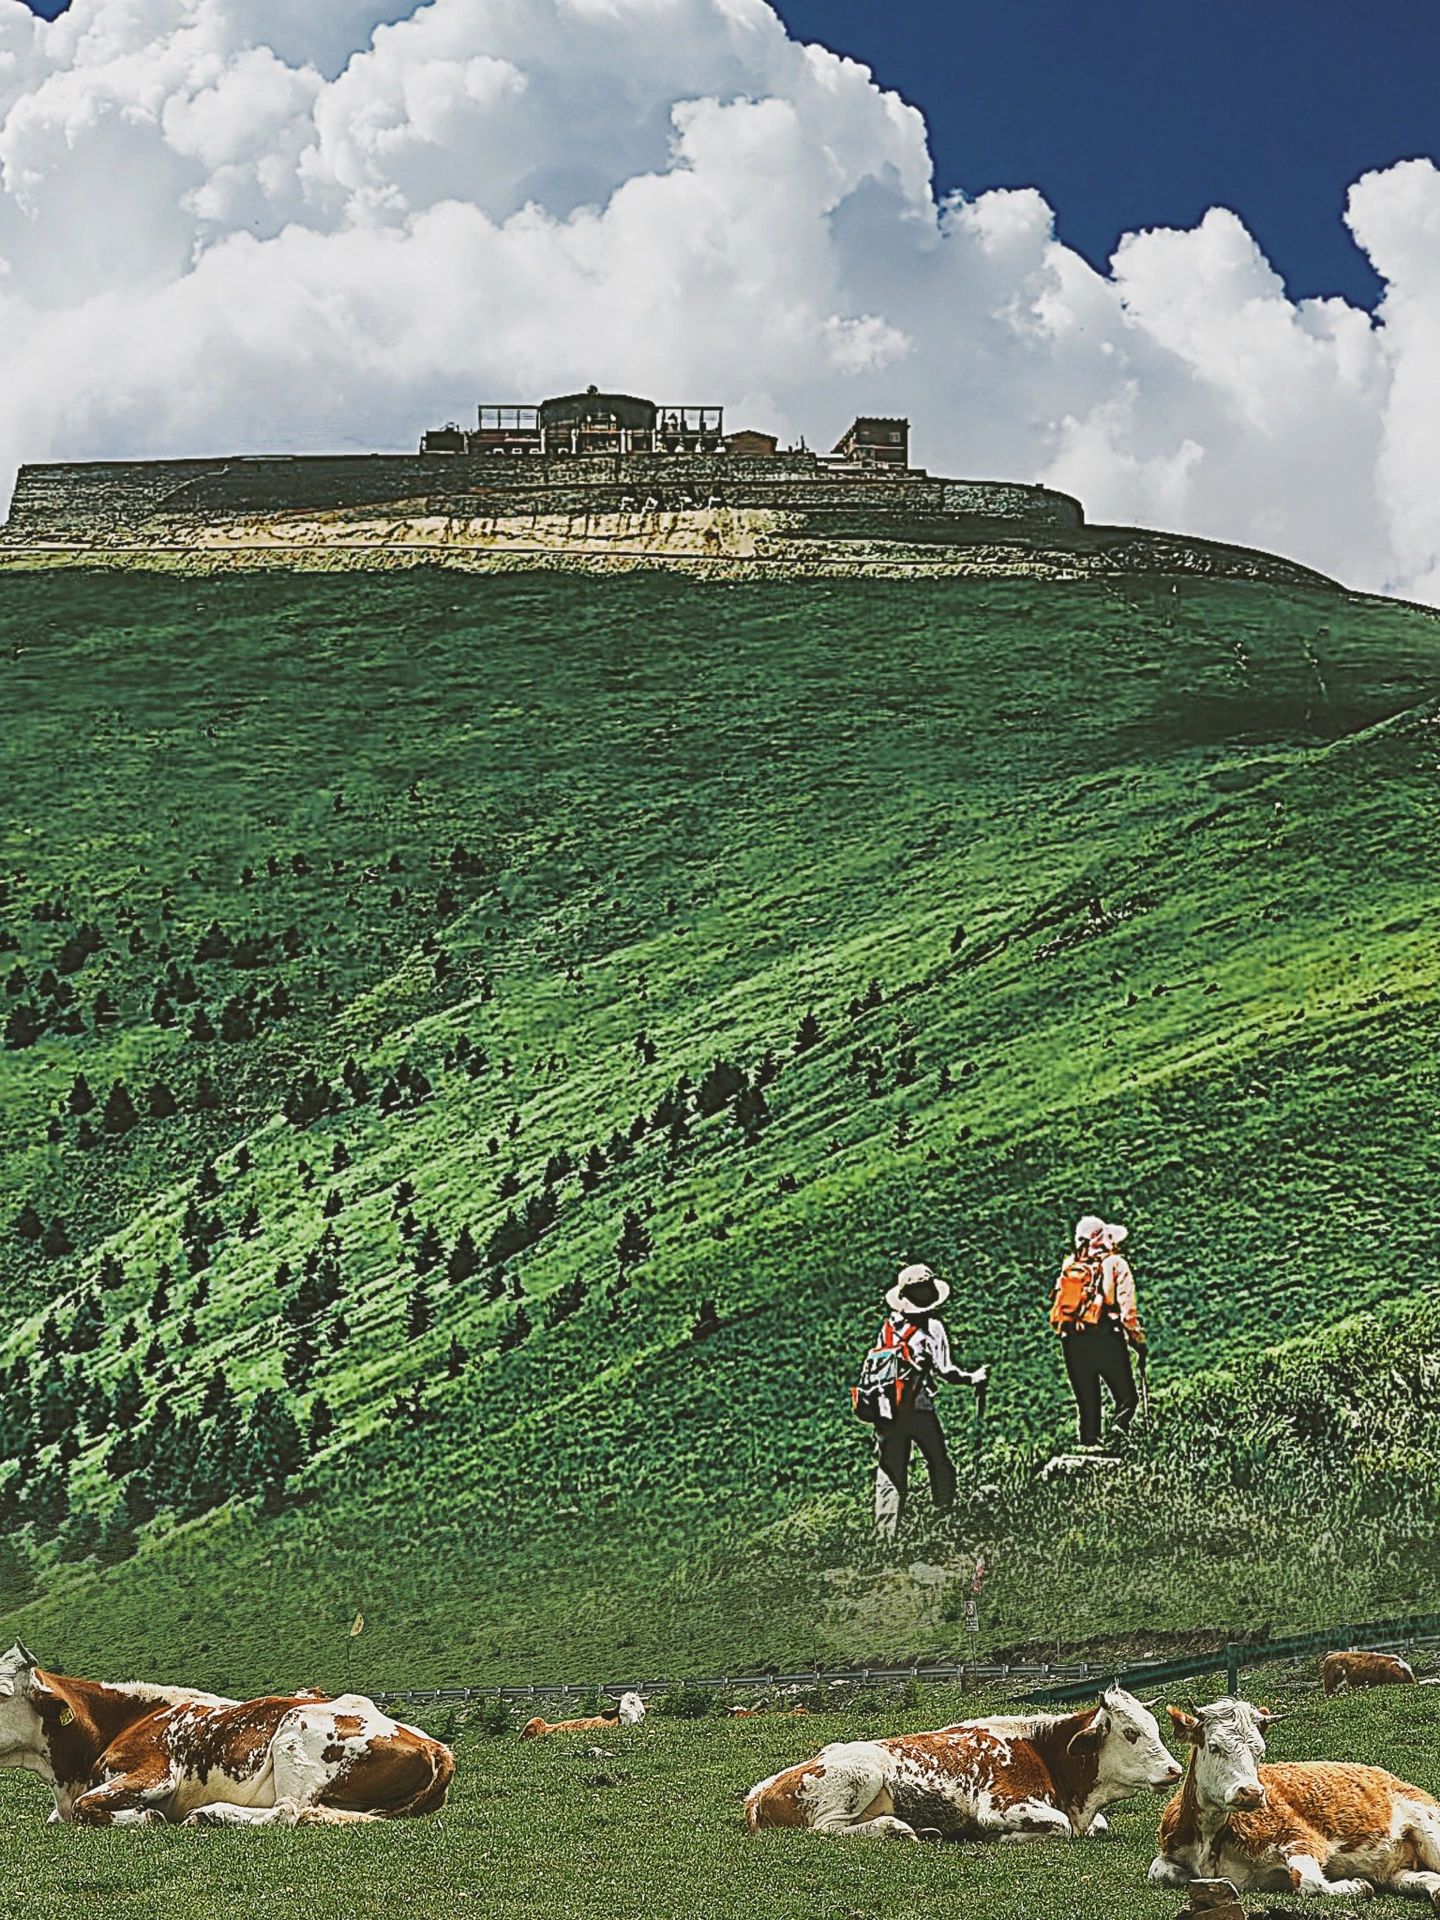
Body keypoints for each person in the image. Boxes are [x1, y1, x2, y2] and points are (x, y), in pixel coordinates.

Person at [872, 1264, 989, 1538]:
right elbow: (945, 1370)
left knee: (890, 1471)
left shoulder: (889, 1327)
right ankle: (944, 1521)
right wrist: (974, 1378)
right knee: (939, 1462)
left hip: (887, 1411)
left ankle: (884, 1536)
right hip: (919, 1409)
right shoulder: (932, 1327)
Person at [1050, 1214, 1145, 1450]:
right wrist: (1138, 1342)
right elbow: (1127, 1313)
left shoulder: (1069, 1265)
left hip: (1072, 1339)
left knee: (1087, 1404)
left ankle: (1089, 1450)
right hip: (1106, 1335)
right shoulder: (1115, 1264)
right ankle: (1117, 1436)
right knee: (1127, 1398)